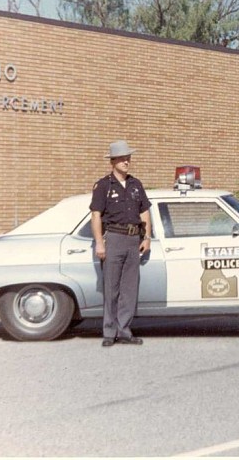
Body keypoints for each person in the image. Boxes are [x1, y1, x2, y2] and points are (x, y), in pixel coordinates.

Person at [90, 140, 152, 346]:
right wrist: (99, 243)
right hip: (114, 239)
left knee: (129, 288)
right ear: (113, 161)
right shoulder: (103, 186)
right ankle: (109, 333)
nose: (127, 161)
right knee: (111, 287)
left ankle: (124, 331)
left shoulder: (136, 184)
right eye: (123, 158)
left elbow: (144, 211)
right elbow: (96, 215)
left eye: (128, 158)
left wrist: (147, 237)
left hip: (133, 239)